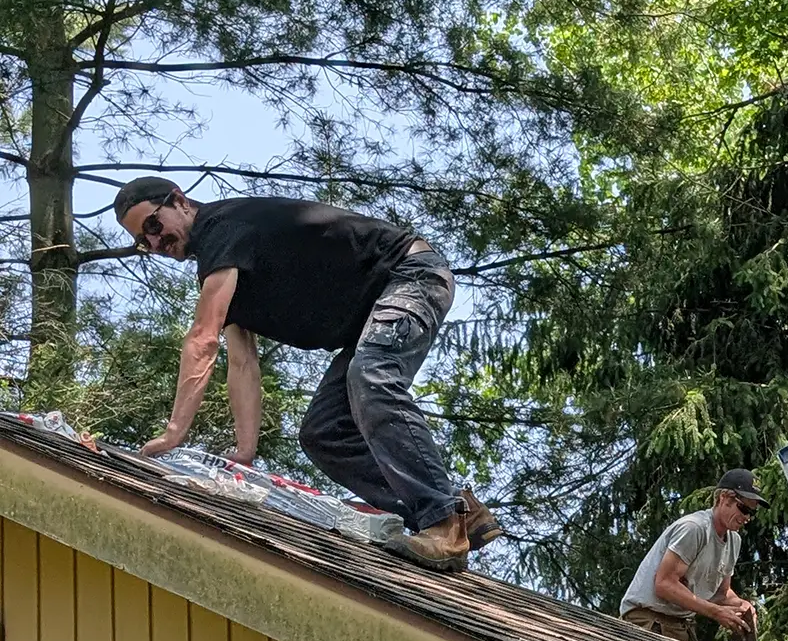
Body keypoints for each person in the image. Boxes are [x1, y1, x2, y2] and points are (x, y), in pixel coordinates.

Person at [115, 176, 500, 572]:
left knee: (371, 374)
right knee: (325, 432)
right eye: (145, 242)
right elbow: (242, 363)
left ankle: (442, 523)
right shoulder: (223, 264)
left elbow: (202, 340)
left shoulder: (220, 227)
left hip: (409, 275)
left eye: (154, 226)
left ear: (179, 200)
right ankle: (458, 513)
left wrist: (175, 432)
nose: (157, 244)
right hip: (372, 314)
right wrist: (245, 452)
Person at [620, 469, 764, 641]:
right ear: (723, 498)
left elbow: (722, 593)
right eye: (743, 508)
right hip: (648, 622)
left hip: (680, 627)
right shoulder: (694, 528)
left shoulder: (734, 541)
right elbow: (664, 584)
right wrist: (715, 612)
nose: (747, 518)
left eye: (752, 513)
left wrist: (740, 605)